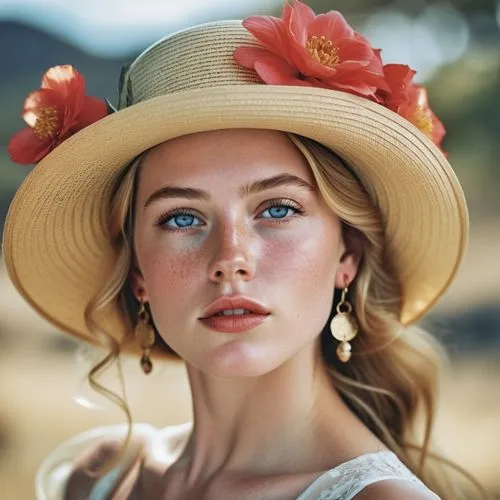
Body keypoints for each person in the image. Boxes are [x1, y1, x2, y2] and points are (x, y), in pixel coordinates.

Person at [3, 1, 490, 499]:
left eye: (277, 209)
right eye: (181, 218)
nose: (229, 258)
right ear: (137, 274)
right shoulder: (97, 479)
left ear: (348, 254)